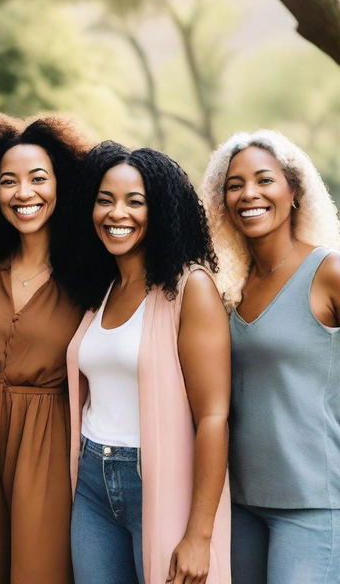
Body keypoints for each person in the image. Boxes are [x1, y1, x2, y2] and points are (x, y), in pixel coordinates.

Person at [67, 141, 231, 584]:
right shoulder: (100, 287)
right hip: (91, 482)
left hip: (158, 481)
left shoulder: (189, 287)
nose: (116, 213)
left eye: (134, 202)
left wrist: (199, 534)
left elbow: (213, 416)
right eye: (105, 201)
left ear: (161, 211)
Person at [0, 112, 90, 584]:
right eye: (8, 181)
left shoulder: (89, 279)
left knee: (39, 569)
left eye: (38, 178)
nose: (23, 193)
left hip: (47, 443)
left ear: (63, 184)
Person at [201, 130, 340, 584]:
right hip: (241, 503)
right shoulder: (228, 289)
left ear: (294, 191)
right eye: (235, 185)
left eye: (264, 180)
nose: (249, 194)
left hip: (315, 504)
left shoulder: (328, 272)